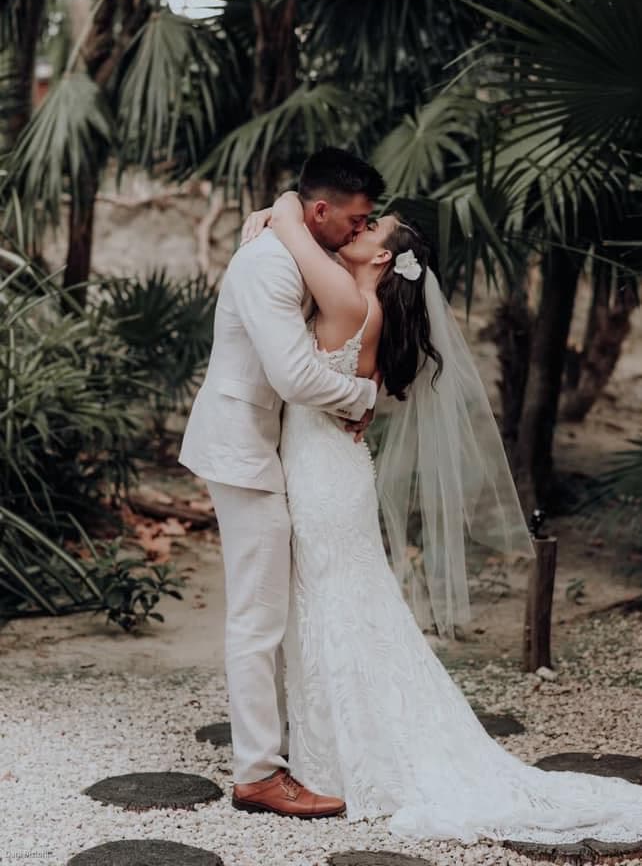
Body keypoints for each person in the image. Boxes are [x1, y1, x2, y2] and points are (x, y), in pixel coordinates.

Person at [241, 189, 642, 844]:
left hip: (323, 477)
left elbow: (294, 229)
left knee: (334, 604)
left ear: (383, 259)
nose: (363, 228)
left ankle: (345, 757)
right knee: (341, 603)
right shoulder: (359, 299)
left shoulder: (350, 302)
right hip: (328, 470)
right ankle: (337, 748)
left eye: (374, 228)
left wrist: (284, 206)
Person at [178, 148, 385, 818]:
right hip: (241, 449)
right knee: (257, 615)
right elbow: (294, 376)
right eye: (355, 219)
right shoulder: (269, 263)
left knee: (268, 609)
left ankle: (272, 752)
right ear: (321, 210)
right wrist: (362, 396)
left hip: (263, 446)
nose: (361, 230)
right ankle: (257, 774)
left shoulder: (295, 242)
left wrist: (282, 209)